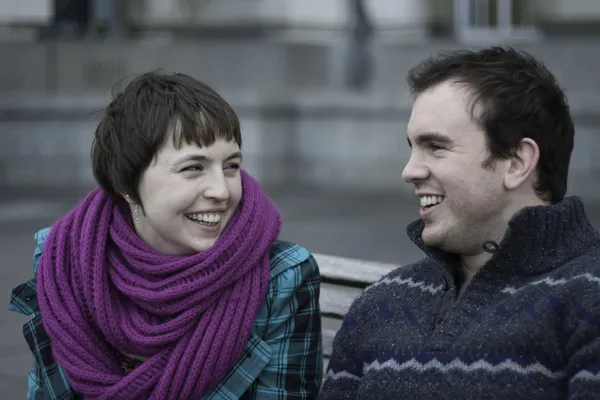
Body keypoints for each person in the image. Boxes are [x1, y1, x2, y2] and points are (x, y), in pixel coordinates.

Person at [9, 71, 323, 399]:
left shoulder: (282, 278)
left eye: (230, 166)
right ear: (126, 186)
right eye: (193, 168)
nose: (222, 190)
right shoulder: (63, 261)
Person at [318, 46, 600, 399]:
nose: (409, 171)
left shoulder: (589, 297)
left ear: (516, 162)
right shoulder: (382, 302)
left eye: (435, 146)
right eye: (412, 148)